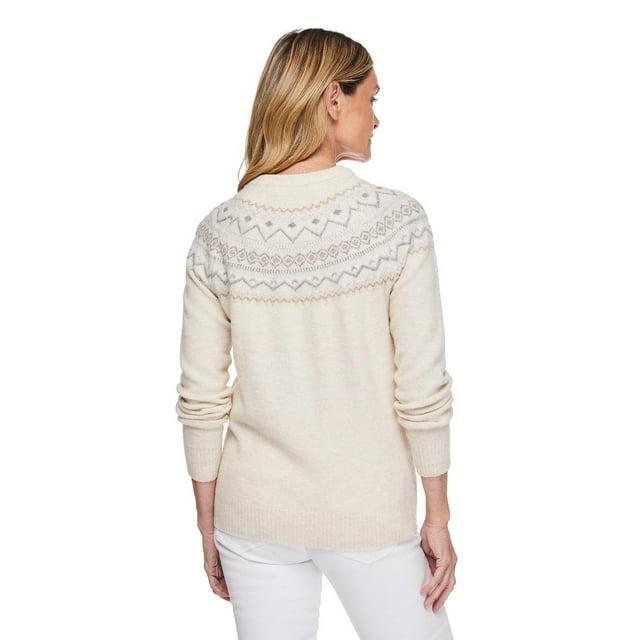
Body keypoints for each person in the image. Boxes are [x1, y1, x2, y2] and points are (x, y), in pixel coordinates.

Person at [175, 27, 457, 640]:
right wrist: (437, 515)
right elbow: (421, 385)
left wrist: (208, 523)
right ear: (334, 98)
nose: (376, 118)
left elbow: (200, 398)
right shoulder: (397, 223)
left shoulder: (218, 232)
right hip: (367, 517)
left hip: (252, 518)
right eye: (371, 98)